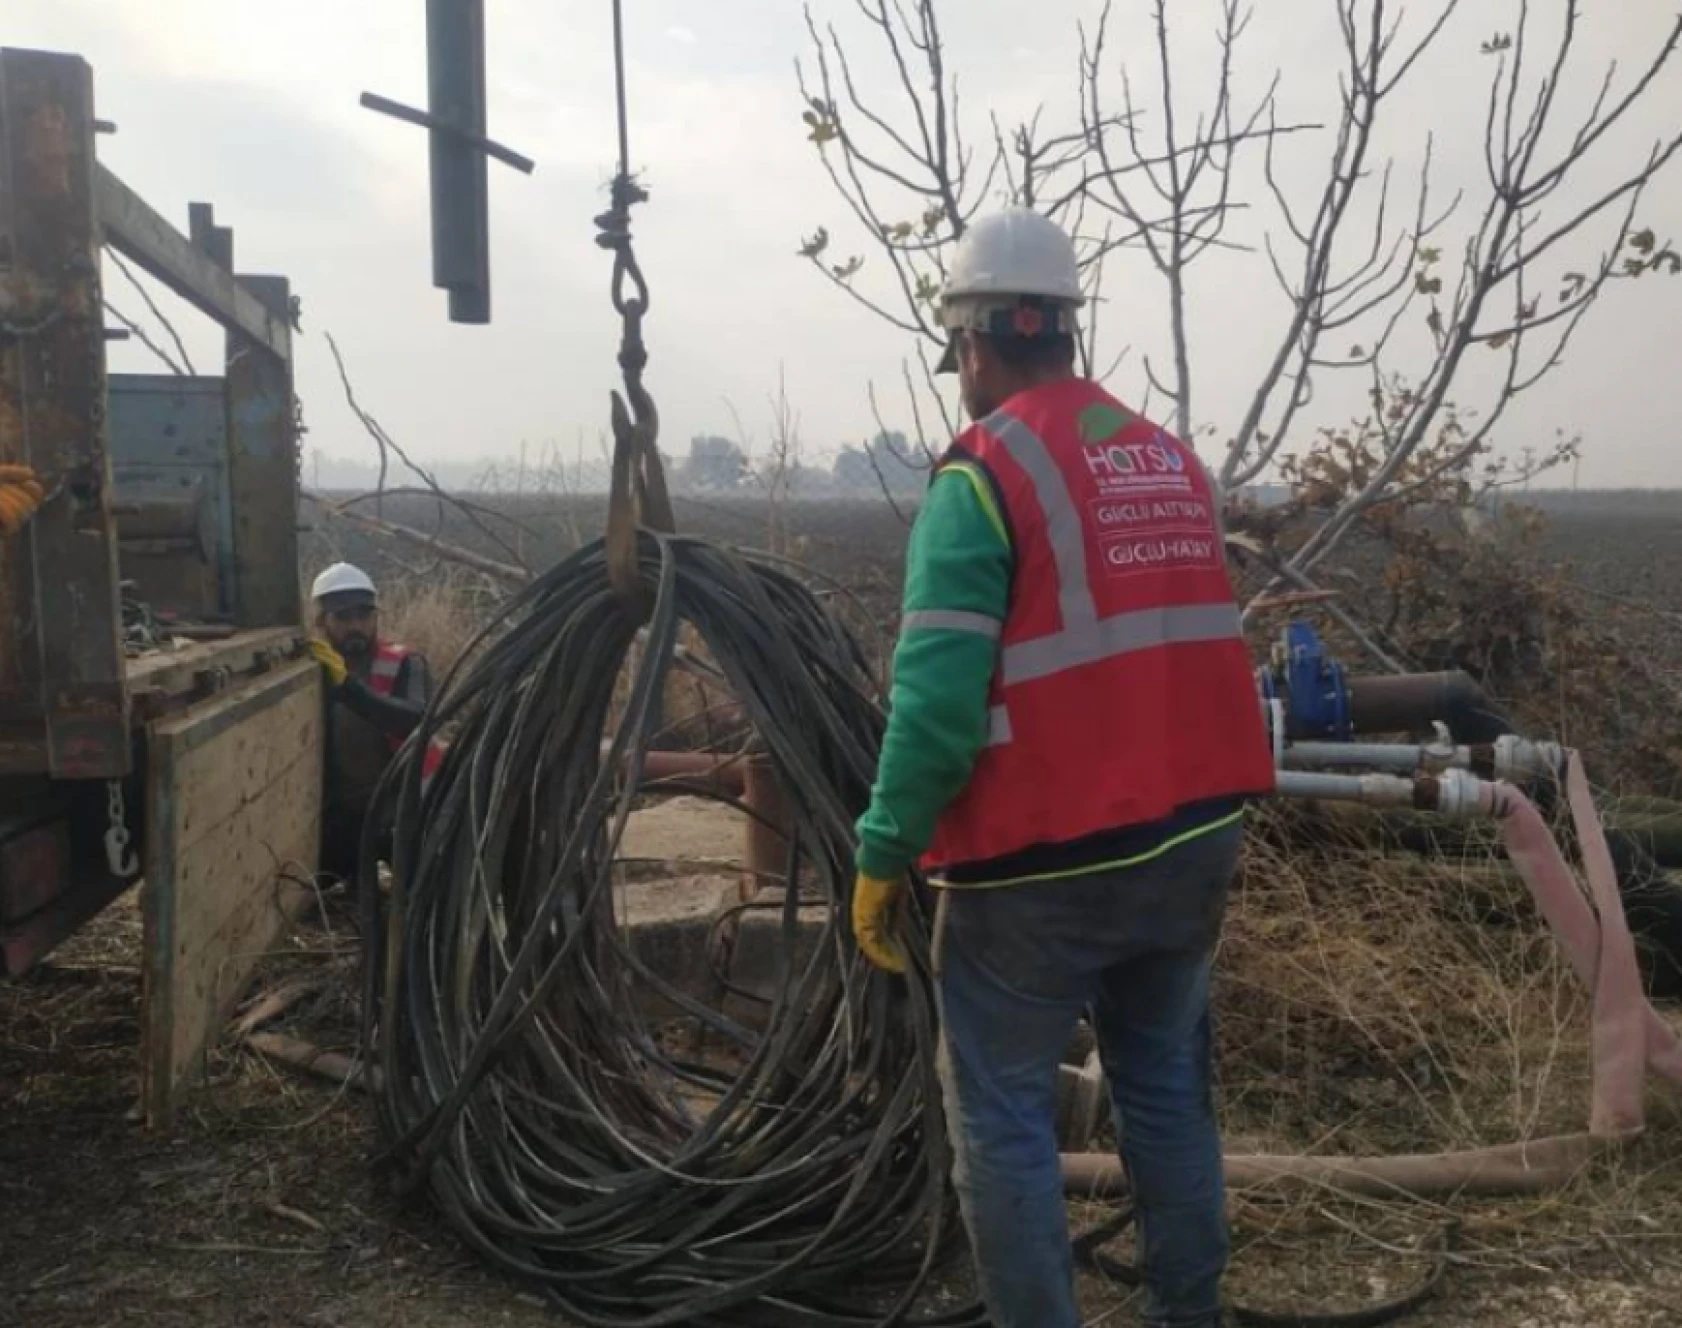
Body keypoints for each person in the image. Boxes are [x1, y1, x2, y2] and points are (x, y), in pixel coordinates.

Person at [850, 209, 1275, 1328]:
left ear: (972, 342)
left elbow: (935, 709)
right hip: (1192, 839)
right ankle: (1190, 1312)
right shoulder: (1168, 461)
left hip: (1039, 870)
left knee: (1001, 1117)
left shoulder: (981, 475)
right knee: (1165, 1087)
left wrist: (883, 851)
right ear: (1064, 328)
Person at [306, 562, 440, 881]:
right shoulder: (309, 671)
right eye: (343, 617)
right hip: (340, 818)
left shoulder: (406, 662)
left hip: (403, 810)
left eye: (364, 615)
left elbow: (416, 719)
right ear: (321, 621)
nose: (356, 625)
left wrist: (349, 689)